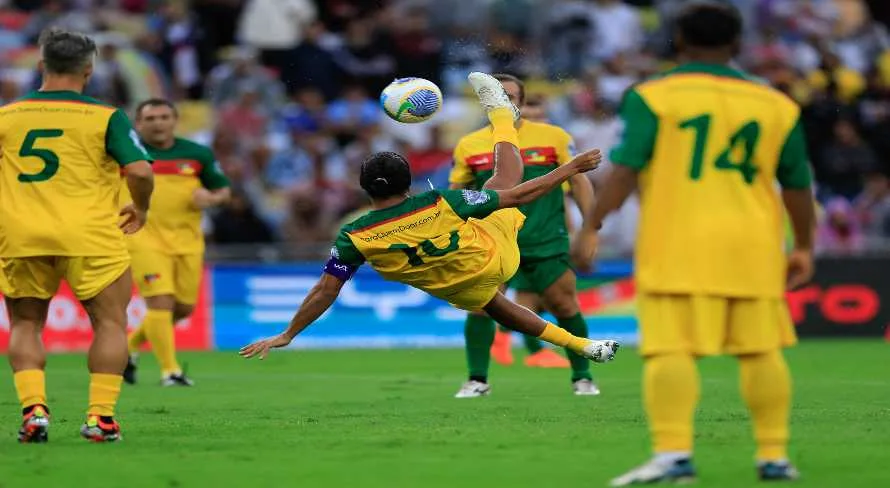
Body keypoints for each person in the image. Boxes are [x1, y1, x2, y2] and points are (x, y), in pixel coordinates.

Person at [578, 4, 815, 485]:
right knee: (761, 350)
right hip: (753, 243)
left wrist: (592, 226)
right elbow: (797, 185)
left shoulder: (653, 96)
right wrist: (804, 245)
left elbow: (626, 169)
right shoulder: (776, 103)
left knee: (669, 351)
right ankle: (774, 457)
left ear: (679, 40)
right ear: (737, 44)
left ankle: (673, 456)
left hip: (678, 241)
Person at [240, 73, 618, 372]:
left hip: (458, 290)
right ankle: (503, 116)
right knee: (502, 184)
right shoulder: (438, 202)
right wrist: (569, 168)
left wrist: (289, 333)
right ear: (409, 182)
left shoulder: (352, 236)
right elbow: (519, 195)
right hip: (495, 258)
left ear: (363, 188)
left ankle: (581, 347)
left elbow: (325, 290)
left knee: (497, 306)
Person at [0, 28, 154, 443]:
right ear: (89, 70)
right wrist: (140, 208)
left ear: (40, 67)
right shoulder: (106, 117)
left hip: (21, 233)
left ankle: (34, 413)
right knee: (109, 323)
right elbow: (140, 170)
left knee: (26, 323)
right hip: (90, 234)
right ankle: (100, 418)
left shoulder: (7, 116)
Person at [449, 74, 600, 397]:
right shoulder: (469, 145)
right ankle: (477, 379)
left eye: (513, 96)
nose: (507, 102)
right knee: (480, 306)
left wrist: (590, 228)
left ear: (520, 101)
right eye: (500, 96)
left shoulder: (553, 136)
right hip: (492, 241)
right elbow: (457, 192)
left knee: (563, 304)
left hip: (545, 237)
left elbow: (579, 181)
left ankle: (582, 377)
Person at [122, 99, 231, 386]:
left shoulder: (197, 154)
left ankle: (130, 347)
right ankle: (170, 371)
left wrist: (211, 198)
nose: (158, 123)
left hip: (187, 240)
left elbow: (223, 190)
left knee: (182, 308)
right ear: (138, 123)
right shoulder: (126, 154)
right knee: (160, 301)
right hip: (141, 236)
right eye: (151, 118)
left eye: (164, 116)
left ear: (174, 120)